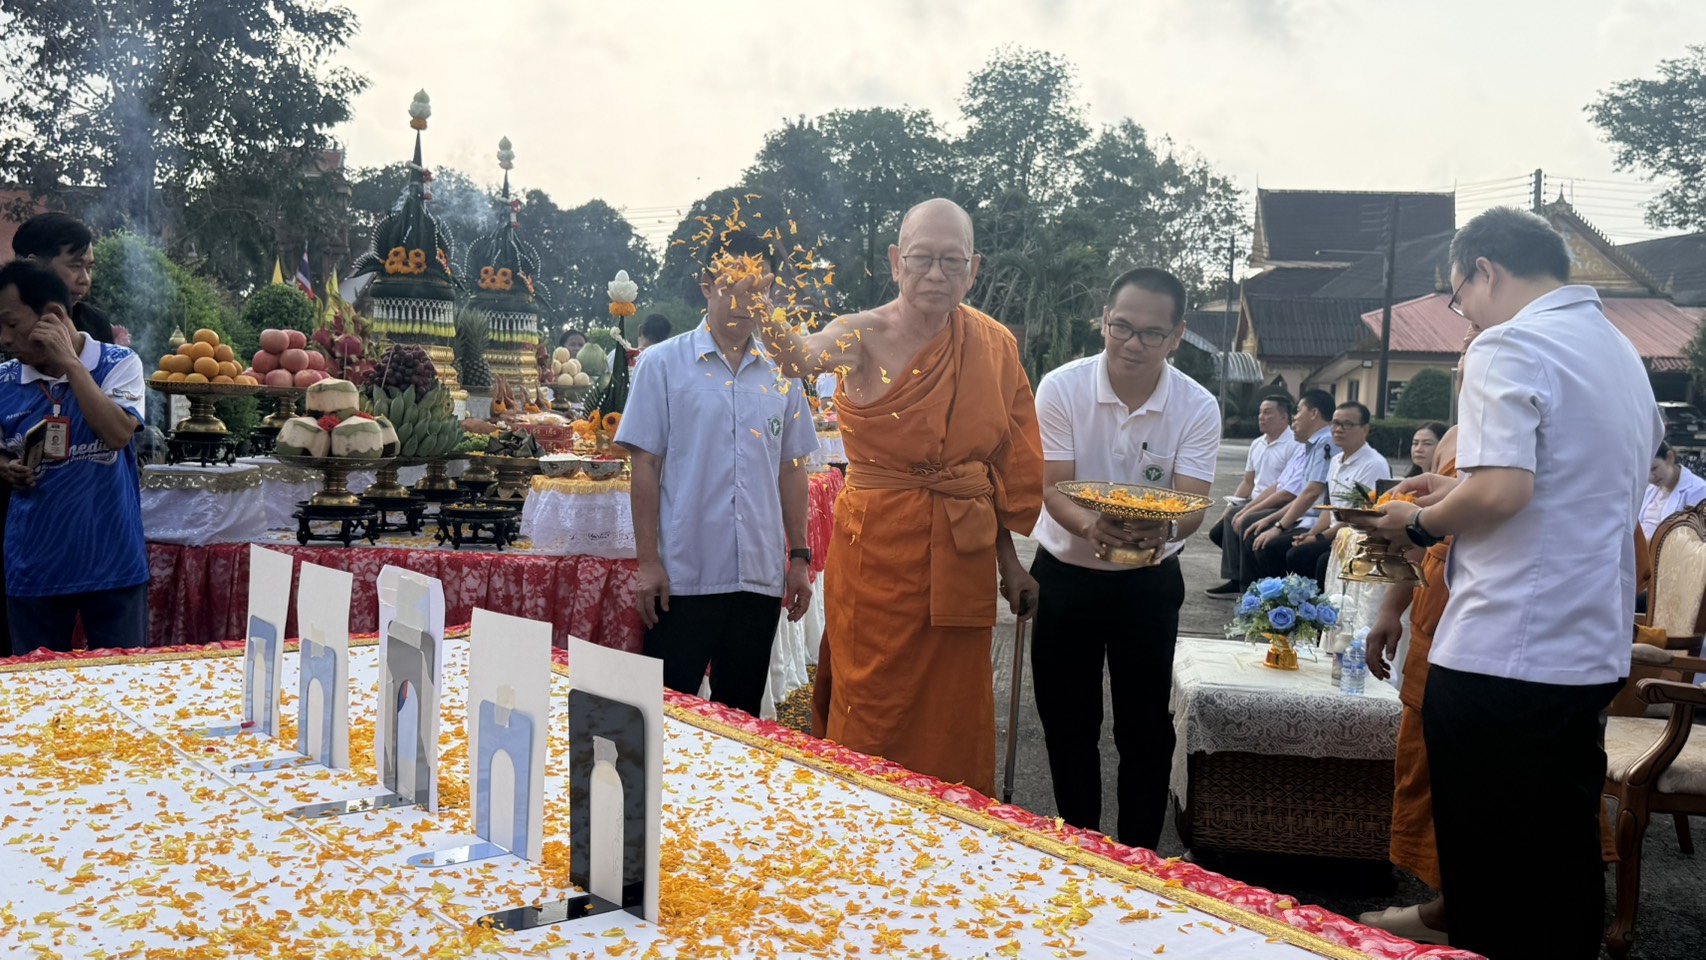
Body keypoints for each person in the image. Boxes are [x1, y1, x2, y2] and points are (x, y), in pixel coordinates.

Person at [1357, 207, 1662, 959]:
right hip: (1586, 649)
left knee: (1489, 878)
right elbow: (1563, 483)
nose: (1466, 317)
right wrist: (1448, 485)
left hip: (1503, 650)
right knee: (1559, 864)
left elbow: (1500, 493)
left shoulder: (1510, 342)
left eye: (1459, 299)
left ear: (1483, 270)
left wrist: (1418, 523)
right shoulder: (1621, 354)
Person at [759, 197, 1044, 796]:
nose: (936, 274)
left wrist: (1010, 563)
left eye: (952, 260)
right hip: (878, 557)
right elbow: (800, 357)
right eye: (921, 259)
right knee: (872, 701)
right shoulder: (862, 334)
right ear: (895, 262)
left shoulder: (993, 346)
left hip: (963, 558)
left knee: (954, 711)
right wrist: (764, 311)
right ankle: (861, 827)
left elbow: (992, 468)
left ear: (975, 267)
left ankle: (952, 836)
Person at [1028, 267, 1219, 849]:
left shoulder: (1196, 405)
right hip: (1066, 577)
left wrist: (1156, 530)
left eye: (1151, 334)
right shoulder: (1061, 388)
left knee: (1144, 729)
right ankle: (1081, 849)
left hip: (1149, 582)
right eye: (1122, 327)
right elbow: (1054, 484)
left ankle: (1139, 857)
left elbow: (1192, 505)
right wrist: (1095, 525)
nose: (1133, 344)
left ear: (1178, 335)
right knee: (1067, 725)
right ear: (1104, 321)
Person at [614, 231, 817, 716]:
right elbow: (644, 466)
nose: (745, 303)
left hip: (758, 581)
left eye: (758, 291)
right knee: (666, 717)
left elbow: (792, 469)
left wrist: (799, 558)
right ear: (706, 285)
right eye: (732, 287)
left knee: (741, 718)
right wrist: (648, 563)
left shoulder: (782, 373)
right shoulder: (662, 365)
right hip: (684, 578)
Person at [0, 260, 148, 654]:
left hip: (112, 563)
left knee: (123, 688)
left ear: (53, 315)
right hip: (34, 566)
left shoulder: (119, 364)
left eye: (12, 325)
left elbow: (118, 434)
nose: (4, 338)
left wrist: (70, 364)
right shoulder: (5, 381)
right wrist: (6, 467)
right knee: (35, 694)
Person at [1284, 401, 1390, 586]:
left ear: (1365, 429)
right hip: (1335, 532)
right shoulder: (1335, 460)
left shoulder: (1373, 464)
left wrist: (1320, 538)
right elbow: (1329, 509)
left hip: (1356, 536)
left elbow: (1359, 516)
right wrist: (1312, 534)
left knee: (1304, 556)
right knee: (1284, 546)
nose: (1338, 429)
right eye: (1335, 423)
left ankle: (1317, 608)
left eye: (1347, 424)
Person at [1204, 393, 1299, 596]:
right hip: (1255, 501)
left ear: (1285, 417)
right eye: (1260, 412)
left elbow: (1284, 490)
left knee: (1239, 520)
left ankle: (1241, 582)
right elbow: (1248, 482)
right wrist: (1231, 507)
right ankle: (1243, 573)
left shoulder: (1294, 445)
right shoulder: (1257, 444)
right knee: (1218, 531)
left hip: (1278, 504)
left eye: (1267, 413)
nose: (1261, 417)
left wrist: (1245, 511)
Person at [1240, 389, 1336, 587]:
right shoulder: (1312, 445)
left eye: (1298, 411)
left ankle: (1283, 601)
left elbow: (1311, 494)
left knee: (1268, 546)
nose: (1295, 417)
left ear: (1314, 414)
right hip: (1307, 517)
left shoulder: (1325, 442)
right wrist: (1272, 521)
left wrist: (1278, 527)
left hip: (1318, 521)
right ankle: (1265, 598)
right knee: (1256, 533)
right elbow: (1302, 493)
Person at [10, 213, 114, 344]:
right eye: (75, 266)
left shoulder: (95, 323)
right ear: (33, 266)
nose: (85, 280)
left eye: (89, 268)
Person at [1640, 441, 1706, 540]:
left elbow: (1697, 539)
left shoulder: (1698, 490)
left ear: (1670, 458)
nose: (1651, 477)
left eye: (1654, 468)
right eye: (1645, 472)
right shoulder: (1650, 490)